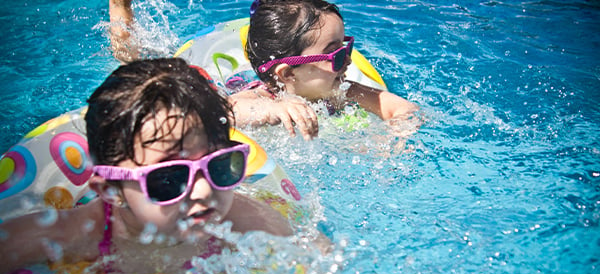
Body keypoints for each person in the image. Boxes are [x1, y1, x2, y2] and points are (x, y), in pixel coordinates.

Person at [0, 58, 292, 274]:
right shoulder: (65, 239)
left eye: (218, 165)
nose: (203, 191)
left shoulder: (247, 222)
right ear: (111, 190)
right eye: (169, 178)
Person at [107, 0, 420, 141]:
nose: (347, 61)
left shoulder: (342, 90)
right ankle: (120, 8)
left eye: (346, 47)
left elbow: (400, 108)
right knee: (139, 72)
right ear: (286, 75)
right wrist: (273, 108)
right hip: (224, 86)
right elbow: (222, 112)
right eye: (334, 55)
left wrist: (397, 135)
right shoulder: (262, 95)